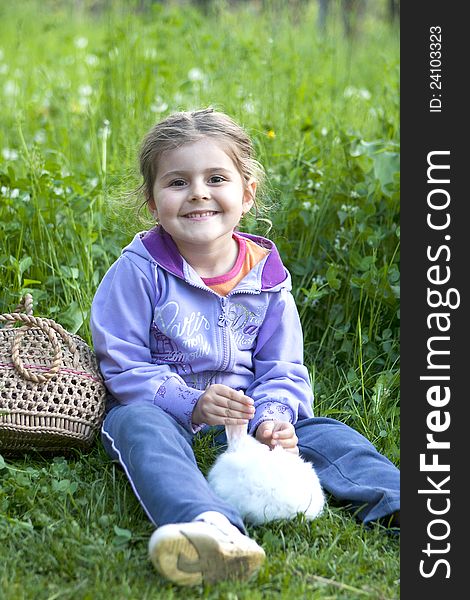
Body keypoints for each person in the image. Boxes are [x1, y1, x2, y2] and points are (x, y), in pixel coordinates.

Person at [90, 107, 400, 587]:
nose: (198, 193)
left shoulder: (268, 280)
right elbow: (122, 363)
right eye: (177, 182)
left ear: (246, 192)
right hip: (166, 414)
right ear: (152, 202)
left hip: (246, 418)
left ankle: (404, 505)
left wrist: (272, 418)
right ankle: (207, 526)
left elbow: (283, 367)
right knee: (136, 427)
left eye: (216, 178)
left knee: (331, 435)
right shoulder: (138, 271)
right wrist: (192, 403)